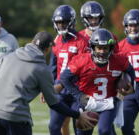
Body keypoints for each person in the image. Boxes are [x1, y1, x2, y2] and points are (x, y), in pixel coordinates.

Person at [0, 31, 96, 135]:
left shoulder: (9, 56)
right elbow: (54, 104)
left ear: (32, 42)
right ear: (48, 49)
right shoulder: (42, 69)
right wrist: (78, 115)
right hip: (16, 116)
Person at [60, 28, 135, 135]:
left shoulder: (119, 60)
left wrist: (131, 85)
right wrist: (79, 95)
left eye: (105, 48)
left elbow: (131, 71)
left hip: (108, 102)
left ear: (111, 48)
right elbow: (64, 78)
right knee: (83, 132)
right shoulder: (81, 60)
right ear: (92, 47)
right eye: (99, 48)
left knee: (104, 131)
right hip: (88, 103)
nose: (102, 51)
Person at [48, 5, 89, 135]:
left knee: (80, 128)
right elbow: (52, 68)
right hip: (61, 93)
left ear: (71, 22)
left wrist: (61, 83)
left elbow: (84, 68)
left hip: (78, 91)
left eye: (64, 22)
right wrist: (48, 87)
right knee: (54, 127)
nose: (60, 25)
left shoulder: (82, 41)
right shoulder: (57, 40)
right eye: (58, 22)